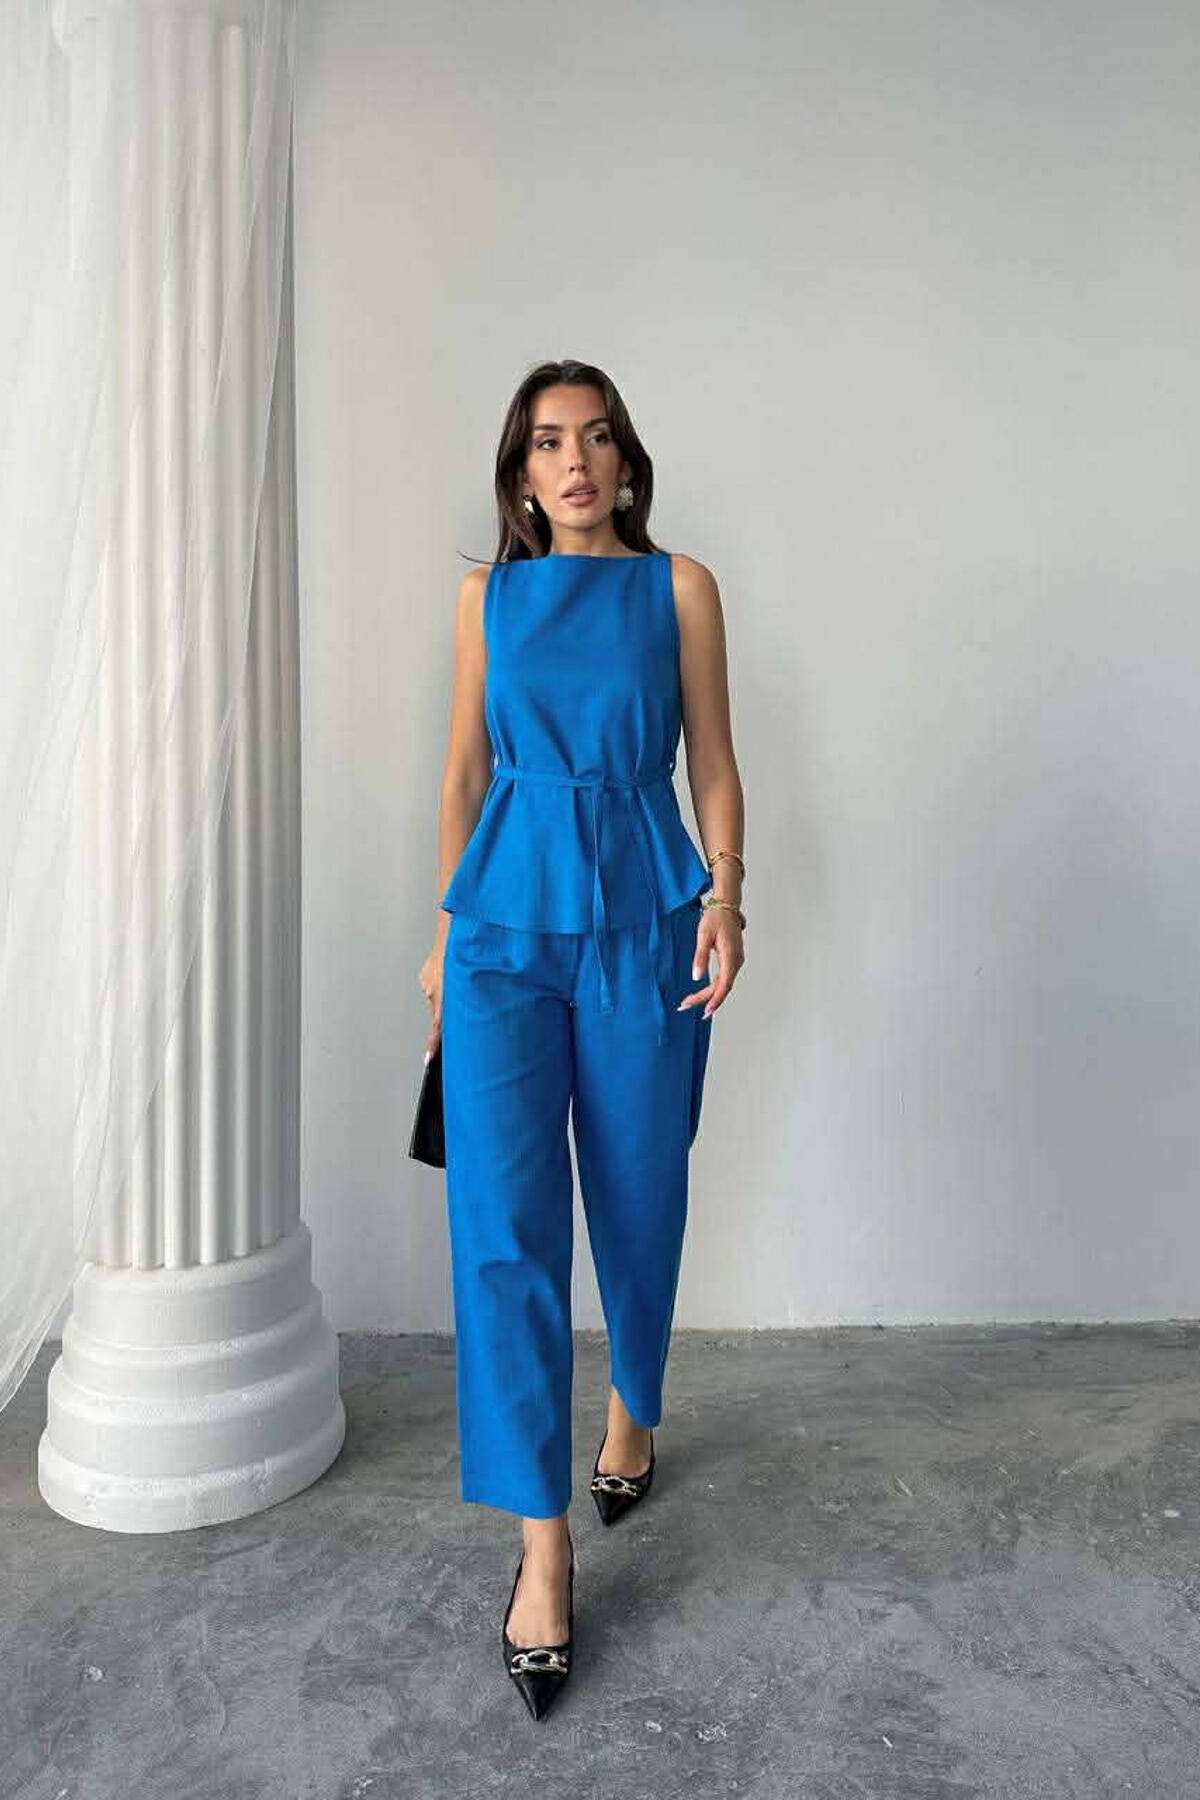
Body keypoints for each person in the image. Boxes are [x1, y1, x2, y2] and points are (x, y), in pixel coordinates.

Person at [419, 358, 746, 1719]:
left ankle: (634, 1408)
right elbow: (464, 774)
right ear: (520, 473)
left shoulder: (679, 590)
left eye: (597, 437)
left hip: (645, 922)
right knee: (504, 1230)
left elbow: (711, 760)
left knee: (639, 1192)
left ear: (624, 462)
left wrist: (725, 898)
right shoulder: (486, 601)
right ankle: (542, 1550)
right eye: (550, 441)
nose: (576, 461)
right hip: (501, 933)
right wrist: (443, 936)